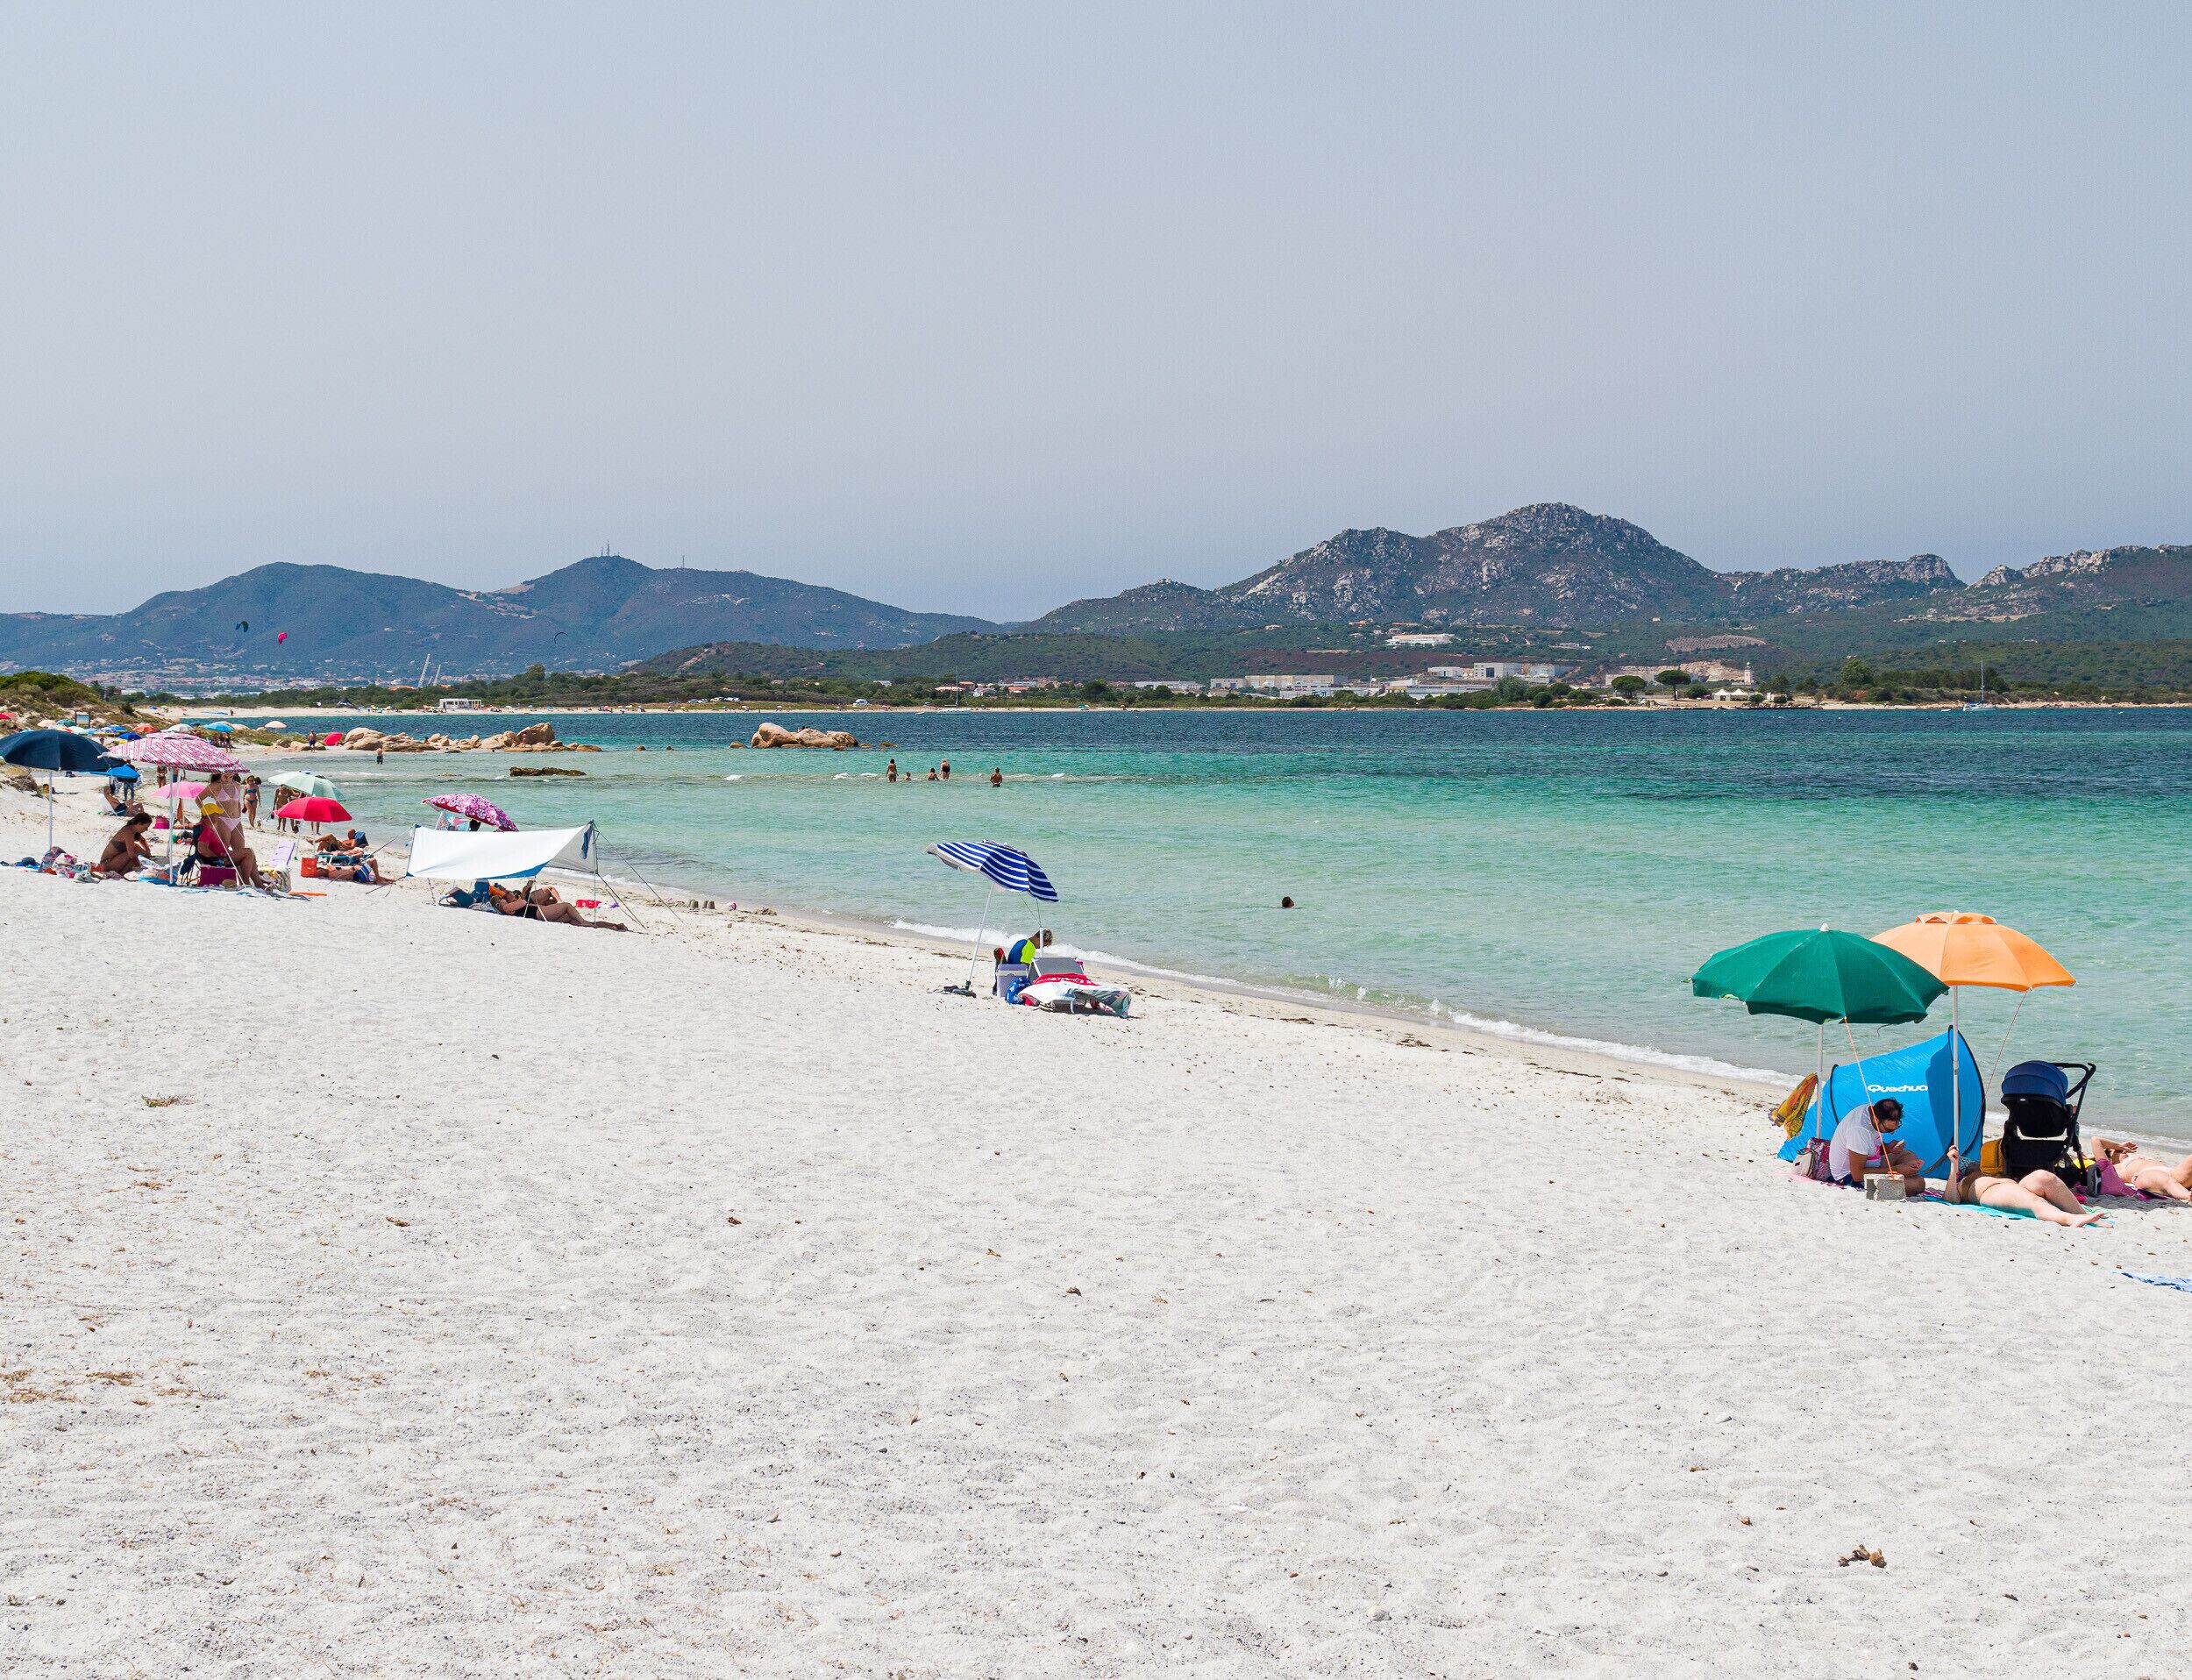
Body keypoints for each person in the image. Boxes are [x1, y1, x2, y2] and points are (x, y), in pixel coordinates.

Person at [1941, 1144, 2107, 1228]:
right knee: (2033, 1202)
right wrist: (1953, 1166)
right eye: (1969, 1165)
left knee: (2045, 1177)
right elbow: (1951, 1199)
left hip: (2014, 1185)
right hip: (1991, 1193)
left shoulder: (1988, 1172)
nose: (1975, 1165)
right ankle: (2071, 1219)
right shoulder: (1959, 1181)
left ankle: (2083, 1215)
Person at [1824, 1097, 1923, 1194]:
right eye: (1888, 1129)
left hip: (1870, 1165)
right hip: (1849, 1177)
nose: (1892, 1133)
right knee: (1917, 1183)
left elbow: (1870, 1147)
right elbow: (1857, 1175)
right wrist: (1896, 1170)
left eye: (1895, 1128)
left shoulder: (1873, 1110)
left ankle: (1900, 1177)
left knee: (1908, 1155)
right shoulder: (1859, 1130)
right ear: (1876, 1119)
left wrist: (1888, 1147)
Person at [196, 774, 267, 889]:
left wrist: (239, 816)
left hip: (236, 821)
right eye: (226, 774)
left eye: (231, 774)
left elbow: (238, 803)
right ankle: (245, 883)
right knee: (224, 850)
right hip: (222, 820)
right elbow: (198, 799)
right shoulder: (215, 786)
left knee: (241, 851)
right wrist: (207, 814)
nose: (229, 776)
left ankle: (255, 884)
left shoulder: (237, 785)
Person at [2096, 1139, 2192, 1202]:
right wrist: (2120, 1145)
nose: (2124, 1151)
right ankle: (2187, 1195)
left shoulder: (2132, 1158)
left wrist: (2120, 1148)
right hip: (2145, 1175)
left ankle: (2183, 1191)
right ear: (2110, 1159)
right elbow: (2096, 1141)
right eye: (2118, 1151)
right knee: (2168, 1181)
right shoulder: (2114, 1168)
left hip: (2171, 1172)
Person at [96, 812, 155, 878]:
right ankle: (124, 873)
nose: (146, 830)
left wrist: (148, 851)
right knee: (135, 850)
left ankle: (125, 872)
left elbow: (142, 840)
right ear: (139, 824)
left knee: (138, 849)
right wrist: (139, 866)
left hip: (116, 860)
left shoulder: (133, 830)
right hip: (107, 864)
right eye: (145, 827)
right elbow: (131, 855)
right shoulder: (128, 832)